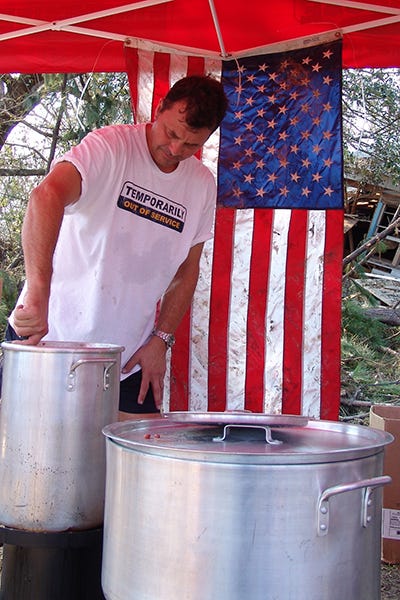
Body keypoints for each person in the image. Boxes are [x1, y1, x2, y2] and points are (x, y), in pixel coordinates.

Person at [7, 75, 228, 420]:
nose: (175, 150)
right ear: (159, 109)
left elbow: (187, 270)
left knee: (130, 465)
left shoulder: (201, 185)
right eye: (171, 134)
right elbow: (45, 197)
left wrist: (161, 339)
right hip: (51, 338)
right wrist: (38, 288)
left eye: (190, 145)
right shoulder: (109, 147)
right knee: (31, 462)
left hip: (126, 357)